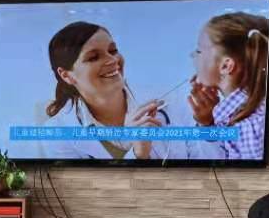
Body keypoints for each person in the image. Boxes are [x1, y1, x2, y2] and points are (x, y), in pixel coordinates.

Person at [38, 21, 172, 160]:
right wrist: (138, 154)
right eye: (93, 58)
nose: (112, 60)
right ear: (67, 75)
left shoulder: (168, 102)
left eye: (113, 51)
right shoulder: (57, 133)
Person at [174, 11, 269, 163]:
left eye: (199, 51)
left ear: (225, 66)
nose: (193, 55)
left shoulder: (247, 128)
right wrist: (208, 124)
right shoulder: (237, 116)